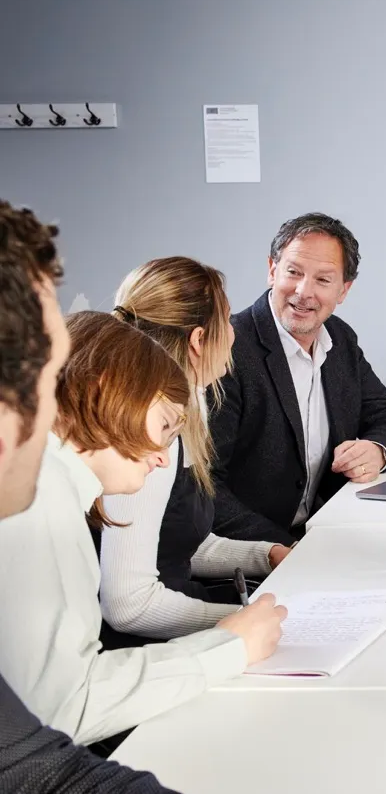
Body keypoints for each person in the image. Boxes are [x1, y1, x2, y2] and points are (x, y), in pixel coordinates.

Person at [0, 311, 287, 747]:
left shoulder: (51, 484)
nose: (161, 457)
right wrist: (227, 646)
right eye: (162, 428)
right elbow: (64, 709)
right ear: (106, 391)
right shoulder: (42, 497)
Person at [0, 201, 178, 792]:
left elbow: (27, 754)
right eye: (45, 378)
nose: (54, 410)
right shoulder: (42, 502)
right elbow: (50, 740)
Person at [98, 258, 291, 643]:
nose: (235, 336)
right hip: (139, 651)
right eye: (228, 323)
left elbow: (177, 540)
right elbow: (128, 606)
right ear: (198, 341)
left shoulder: (184, 409)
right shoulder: (148, 438)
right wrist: (241, 620)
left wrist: (266, 555)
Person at [209, 213, 386, 543]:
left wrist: (377, 450)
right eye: (293, 272)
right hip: (255, 549)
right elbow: (205, 487)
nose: (304, 292)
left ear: (344, 290)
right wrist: (285, 549)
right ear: (272, 270)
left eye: (323, 280)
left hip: (324, 529)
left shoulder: (340, 340)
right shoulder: (228, 349)